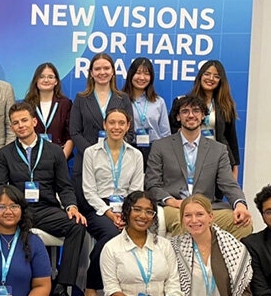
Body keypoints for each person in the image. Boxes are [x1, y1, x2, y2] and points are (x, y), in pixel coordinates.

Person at [0, 102, 88, 296]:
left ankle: (61, 288)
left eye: (24, 120)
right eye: (16, 123)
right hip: (19, 211)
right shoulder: (5, 154)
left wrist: (72, 206)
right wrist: (9, 208)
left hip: (47, 209)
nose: (21, 125)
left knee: (77, 225)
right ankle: (11, 285)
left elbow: (64, 186)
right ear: (12, 127)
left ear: (34, 122)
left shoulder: (54, 151)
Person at [145, 94, 252, 239]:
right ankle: (188, 255)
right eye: (185, 111)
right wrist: (172, 201)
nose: (191, 115)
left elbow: (229, 184)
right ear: (178, 117)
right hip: (174, 207)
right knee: (187, 222)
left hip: (207, 207)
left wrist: (240, 204)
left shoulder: (218, 149)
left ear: (203, 116)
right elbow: (152, 185)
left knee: (243, 224)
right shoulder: (160, 146)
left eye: (196, 111)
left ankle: (214, 255)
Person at [81, 108, 144, 296]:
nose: (116, 127)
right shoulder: (91, 153)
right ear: (105, 125)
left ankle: (133, 288)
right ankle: (91, 288)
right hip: (98, 207)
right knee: (110, 234)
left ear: (128, 126)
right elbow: (89, 191)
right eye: (112, 123)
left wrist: (126, 214)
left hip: (128, 207)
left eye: (121, 123)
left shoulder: (136, 155)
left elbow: (136, 190)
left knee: (143, 231)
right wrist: (109, 213)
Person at [70, 53, 134, 220]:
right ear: (91, 73)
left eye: (106, 68)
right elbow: (74, 131)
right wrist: (94, 153)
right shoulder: (81, 98)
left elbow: (130, 132)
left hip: (116, 164)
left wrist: (111, 152)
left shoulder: (123, 98)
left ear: (113, 71)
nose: (102, 72)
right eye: (97, 69)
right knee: (87, 217)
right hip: (86, 161)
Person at [170, 60, 240, 178]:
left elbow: (231, 137)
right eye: (207, 74)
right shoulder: (182, 102)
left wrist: (235, 167)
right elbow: (172, 129)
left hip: (218, 158)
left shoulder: (226, 105)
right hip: (190, 156)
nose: (211, 78)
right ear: (200, 76)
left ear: (221, 80)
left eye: (216, 76)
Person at [122, 57, 170, 167]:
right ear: (131, 75)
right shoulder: (121, 100)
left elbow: (165, 134)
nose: (142, 77)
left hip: (154, 152)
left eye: (146, 74)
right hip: (128, 150)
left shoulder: (158, 102)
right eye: (138, 73)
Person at [23, 62, 73, 159]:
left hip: (58, 157)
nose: (46, 80)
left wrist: (61, 160)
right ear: (36, 80)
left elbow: (70, 136)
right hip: (32, 158)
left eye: (50, 77)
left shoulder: (65, 104)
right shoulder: (27, 105)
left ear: (56, 81)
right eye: (41, 77)